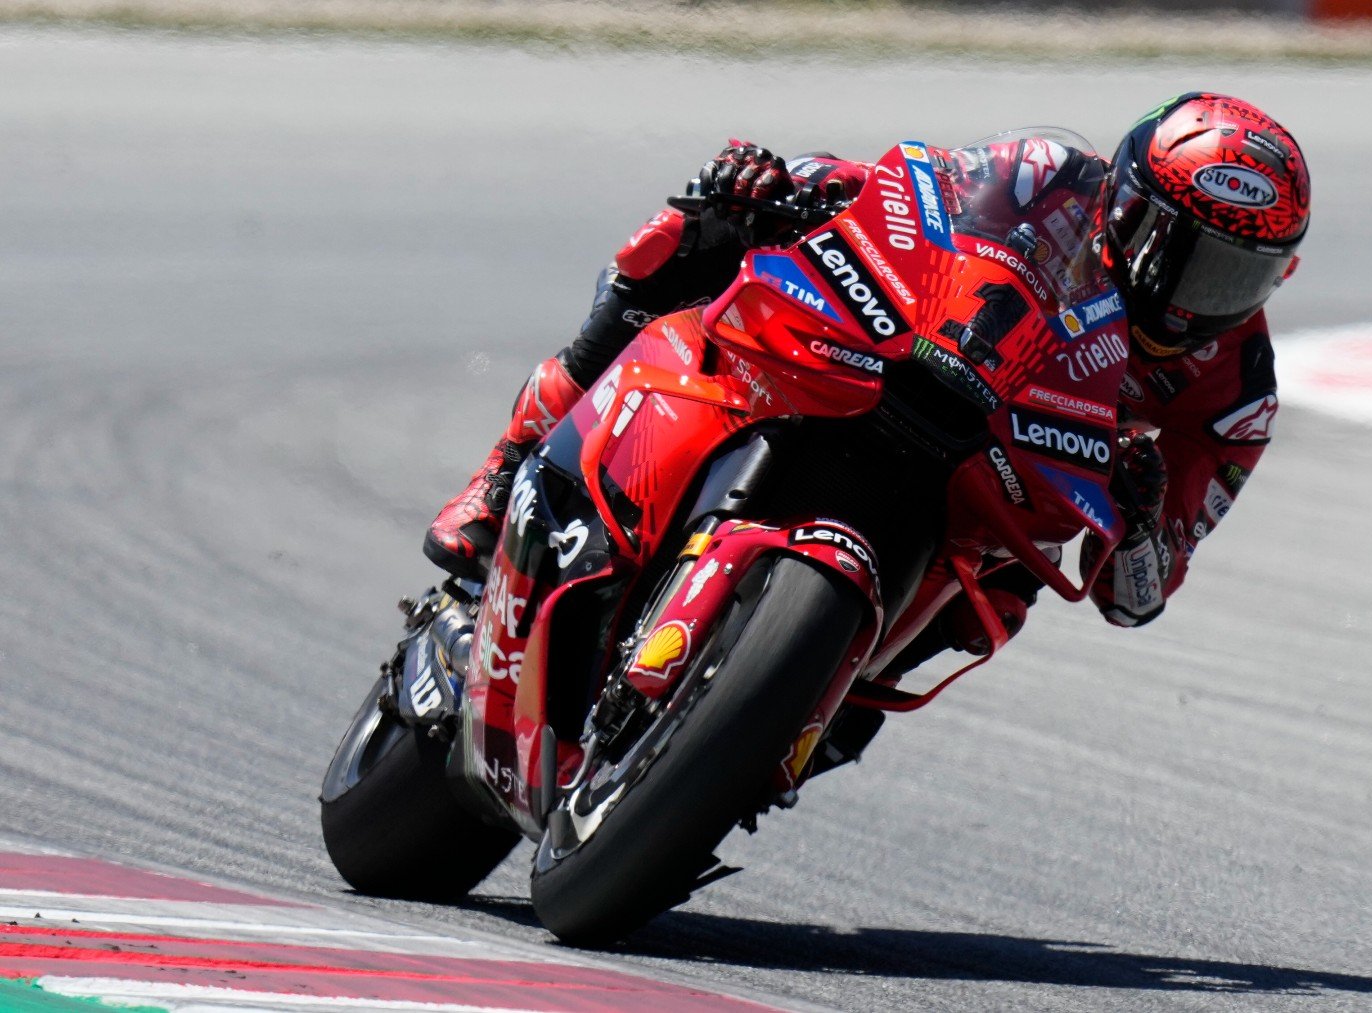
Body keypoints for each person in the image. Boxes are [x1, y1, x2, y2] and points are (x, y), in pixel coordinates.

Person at [425, 91, 1309, 643]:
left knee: (993, 603)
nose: (1193, 295)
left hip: (1014, 476)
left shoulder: (1240, 395)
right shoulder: (1049, 178)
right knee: (692, 238)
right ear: (1122, 199)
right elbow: (905, 190)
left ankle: (806, 719)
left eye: (1236, 272)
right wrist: (784, 181)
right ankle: (504, 471)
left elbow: (1138, 597)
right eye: (1180, 252)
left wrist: (1145, 520)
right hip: (919, 359)